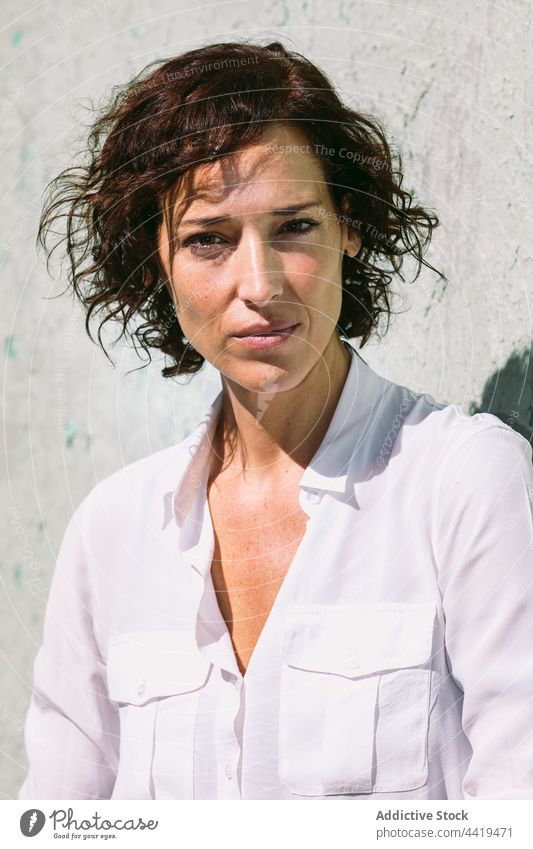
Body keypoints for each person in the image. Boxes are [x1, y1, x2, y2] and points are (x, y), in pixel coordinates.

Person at [18, 40, 533, 801]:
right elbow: (57, 817)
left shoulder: (461, 480)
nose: (255, 283)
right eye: (207, 239)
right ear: (156, 259)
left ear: (347, 225)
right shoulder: (112, 530)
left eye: (292, 226)